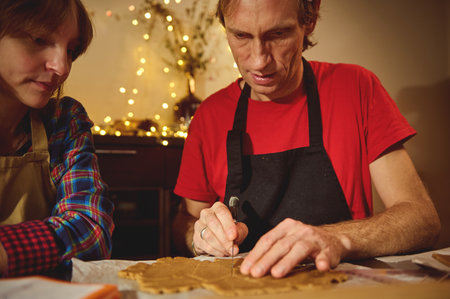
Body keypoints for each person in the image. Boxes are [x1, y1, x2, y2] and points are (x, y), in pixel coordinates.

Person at [173, 0, 441, 279]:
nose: (259, 60)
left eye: (277, 35)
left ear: (309, 19)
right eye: (240, 35)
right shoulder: (210, 115)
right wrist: (200, 236)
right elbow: (185, 221)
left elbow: (421, 219)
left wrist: (335, 238)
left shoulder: (356, 89)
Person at [0, 0, 114, 277]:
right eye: (39, 39)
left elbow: (91, 229)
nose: (61, 67)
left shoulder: (63, 121)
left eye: (71, 51)